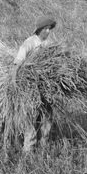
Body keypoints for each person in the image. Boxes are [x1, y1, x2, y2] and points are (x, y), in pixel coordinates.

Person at [13, 17, 56, 152]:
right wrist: (14, 79)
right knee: (31, 119)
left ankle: (44, 148)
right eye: (46, 29)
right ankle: (28, 152)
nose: (48, 31)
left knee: (46, 119)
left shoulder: (49, 43)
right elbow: (18, 61)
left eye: (49, 29)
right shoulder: (30, 42)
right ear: (40, 30)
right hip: (31, 87)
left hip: (46, 87)